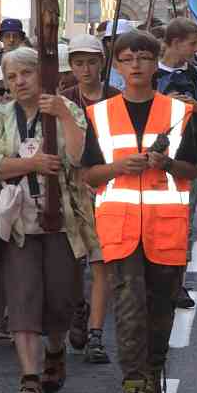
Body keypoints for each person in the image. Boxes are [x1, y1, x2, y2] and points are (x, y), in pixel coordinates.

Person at [81, 29, 197, 393]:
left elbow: (196, 169)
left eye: (144, 58)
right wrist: (119, 167)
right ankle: (132, 386)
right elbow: (89, 173)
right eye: (128, 59)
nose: (136, 66)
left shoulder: (178, 113)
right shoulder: (99, 114)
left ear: (156, 62)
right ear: (117, 66)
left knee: (160, 310)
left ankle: (152, 369)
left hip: (165, 227)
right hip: (120, 229)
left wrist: (166, 164)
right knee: (130, 307)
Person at [0, 47, 87, 393]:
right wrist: (28, 163)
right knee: (21, 298)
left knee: (59, 298)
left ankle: (55, 350)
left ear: (43, 75)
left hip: (62, 220)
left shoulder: (66, 109)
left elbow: (80, 157)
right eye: (11, 77)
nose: (19, 82)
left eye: (26, 74)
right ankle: (29, 377)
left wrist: (64, 117)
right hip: (17, 221)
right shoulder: (1, 116)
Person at [61, 34, 119, 364]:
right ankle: (78, 309)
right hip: (72, 192)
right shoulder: (64, 100)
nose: (85, 69)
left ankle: (96, 333)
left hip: (106, 191)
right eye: (79, 63)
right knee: (71, 266)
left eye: (92, 62)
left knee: (102, 264)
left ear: (102, 63)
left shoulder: (116, 99)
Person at [157, 18, 197, 308]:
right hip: (155, 157)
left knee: (183, 222)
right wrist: (164, 101)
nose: (195, 50)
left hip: (187, 157)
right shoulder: (150, 71)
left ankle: (177, 283)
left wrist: (195, 107)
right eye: (192, 44)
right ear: (175, 42)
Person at [101, 19, 134, 91]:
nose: (115, 43)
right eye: (110, 39)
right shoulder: (101, 67)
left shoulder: (139, 66)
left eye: (120, 38)